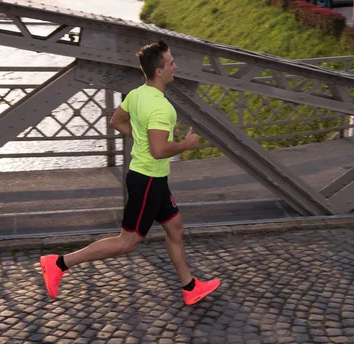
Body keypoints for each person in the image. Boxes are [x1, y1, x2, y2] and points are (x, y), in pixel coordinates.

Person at [39, 40, 221, 306]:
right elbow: (159, 150)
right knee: (127, 243)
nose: (175, 66)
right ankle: (58, 263)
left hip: (153, 179)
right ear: (159, 71)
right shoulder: (161, 107)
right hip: (147, 180)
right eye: (171, 62)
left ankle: (190, 286)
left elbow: (116, 121)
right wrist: (186, 145)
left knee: (175, 229)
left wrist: (143, 140)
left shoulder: (136, 94)